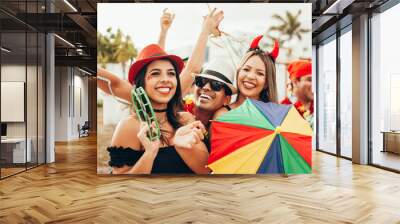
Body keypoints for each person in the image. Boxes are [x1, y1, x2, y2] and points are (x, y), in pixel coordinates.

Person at [107, 44, 210, 174]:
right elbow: (120, 186)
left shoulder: (186, 119)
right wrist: (150, 153)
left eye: (171, 74)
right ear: (141, 82)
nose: (165, 79)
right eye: (155, 73)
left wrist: (181, 146)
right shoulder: (130, 126)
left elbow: (206, 171)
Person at [213, 35, 279, 119]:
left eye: (260, 73)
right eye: (246, 69)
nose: (251, 76)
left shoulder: (275, 118)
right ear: (238, 73)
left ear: (266, 83)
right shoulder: (222, 115)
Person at [280, 59, 314, 127]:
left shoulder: (319, 107)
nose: (314, 84)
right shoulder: (283, 108)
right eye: (310, 80)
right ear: (295, 81)